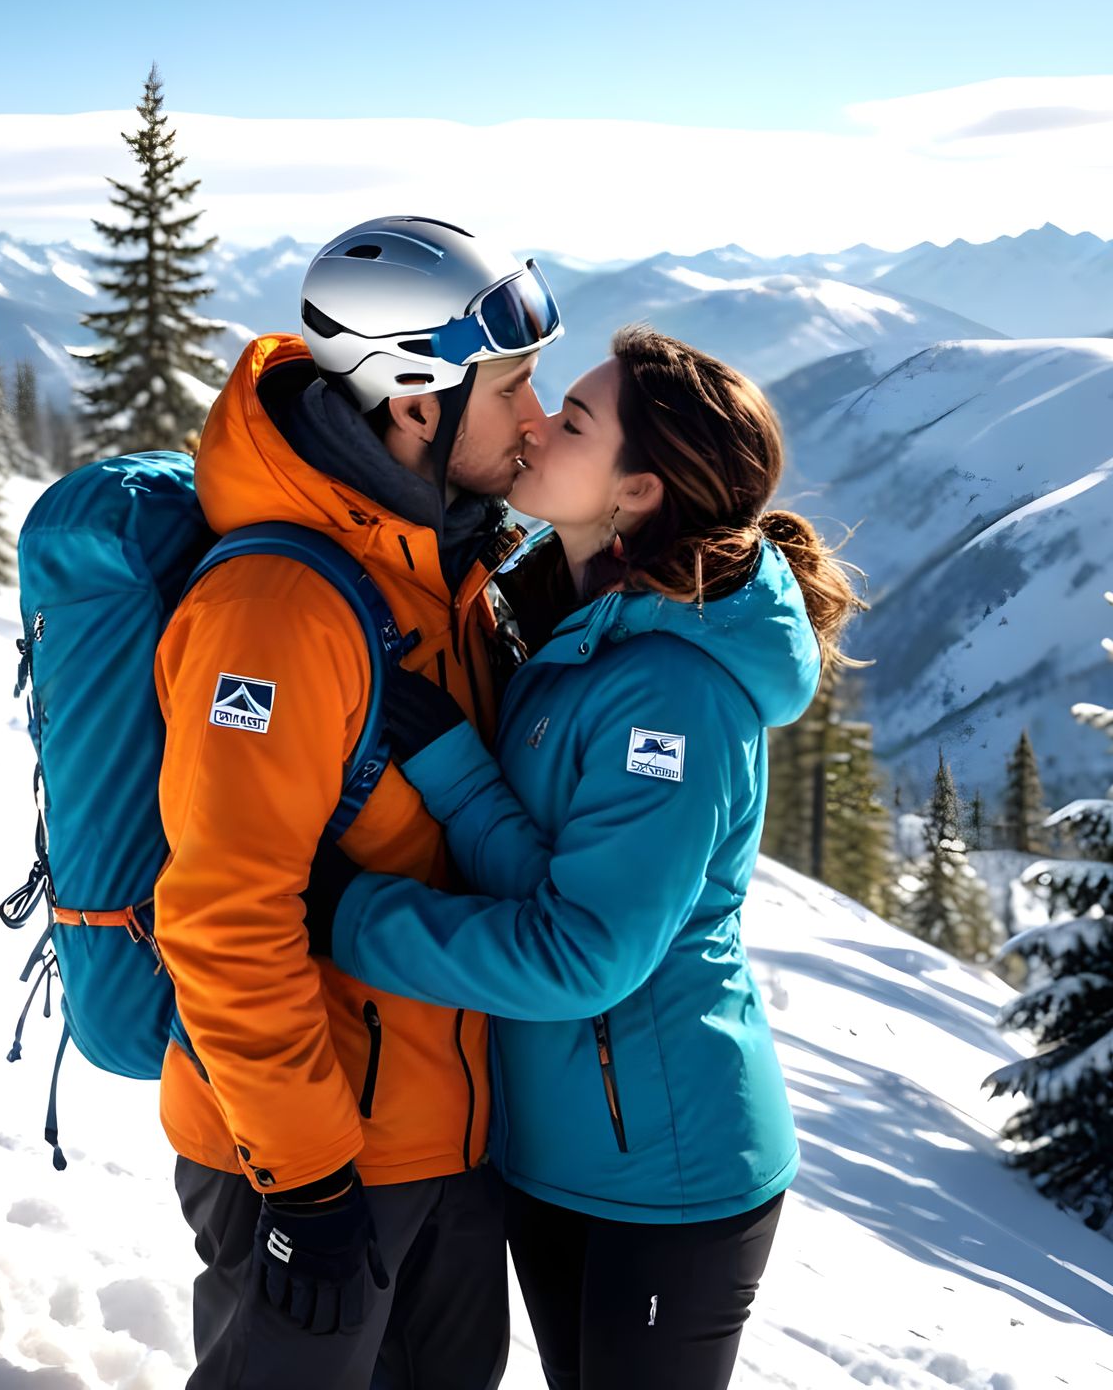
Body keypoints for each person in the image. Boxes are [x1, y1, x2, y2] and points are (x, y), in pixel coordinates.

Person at [303, 325, 865, 1390]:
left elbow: (581, 954)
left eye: (573, 422)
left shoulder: (670, 691)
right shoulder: (573, 628)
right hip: (563, 1149)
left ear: (635, 493)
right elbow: (552, 878)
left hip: (667, 1174)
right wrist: (457, 771)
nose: (536, 424)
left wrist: (345, 917)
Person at [152, 215, 563, 1389]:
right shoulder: (278, 610)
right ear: (417, 403)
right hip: (313, 1157)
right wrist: (308, 1180)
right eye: (512, 388)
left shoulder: (436, 563)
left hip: (442, 1137)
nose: (537, 420)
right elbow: (223, 915)